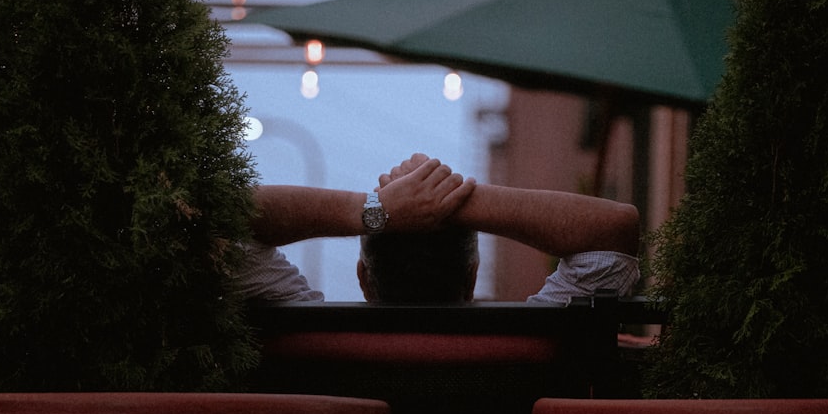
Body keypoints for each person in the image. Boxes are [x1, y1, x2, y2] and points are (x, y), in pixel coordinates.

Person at [234, 153, 640, 303]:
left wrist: (378, 209)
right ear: (472, 278)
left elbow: (226, 216)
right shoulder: (530, 343)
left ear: (363, 280)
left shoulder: (315, 341)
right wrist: (459, 199)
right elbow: (614, 229)